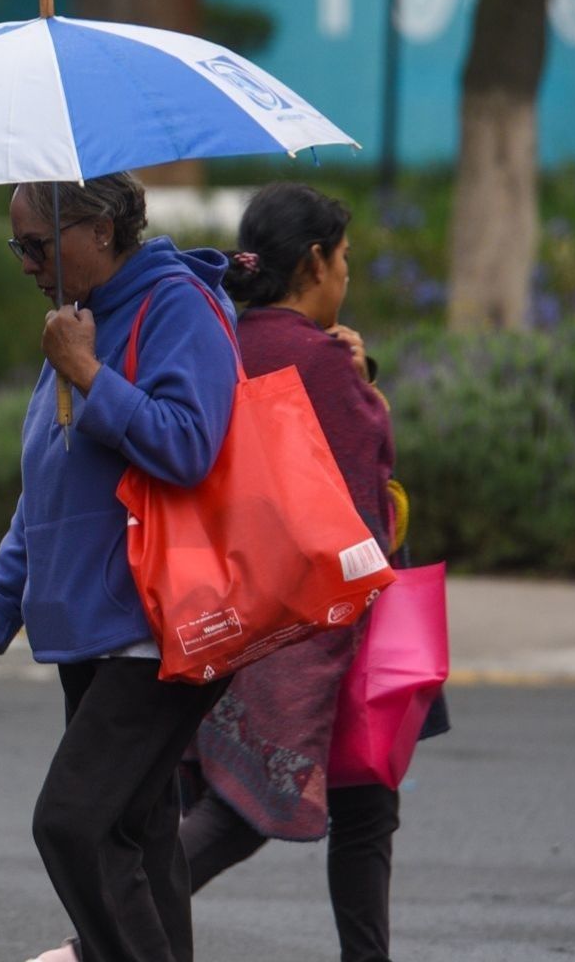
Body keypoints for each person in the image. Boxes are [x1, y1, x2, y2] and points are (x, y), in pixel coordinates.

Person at [0, 173, 240, 962]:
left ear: (100, 231)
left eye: (37, 245)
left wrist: (89, 374)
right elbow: (51, 489)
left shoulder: (176, 305)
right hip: (96, 628)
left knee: (74, 824)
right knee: (138, 840)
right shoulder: (77, 323)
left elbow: (188, 445)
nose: (27, 263)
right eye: (18, 247)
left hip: (157, 625)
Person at [171, 183, 408, 962]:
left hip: (218, 607)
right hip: (313, 625)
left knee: (360, 799)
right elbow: (364, 485)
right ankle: (96, 936)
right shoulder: (317, 359)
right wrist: (359, 371)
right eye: (345, 260)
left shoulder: (223, 339)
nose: (347, 275)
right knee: (261, 811)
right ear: (314, 262)